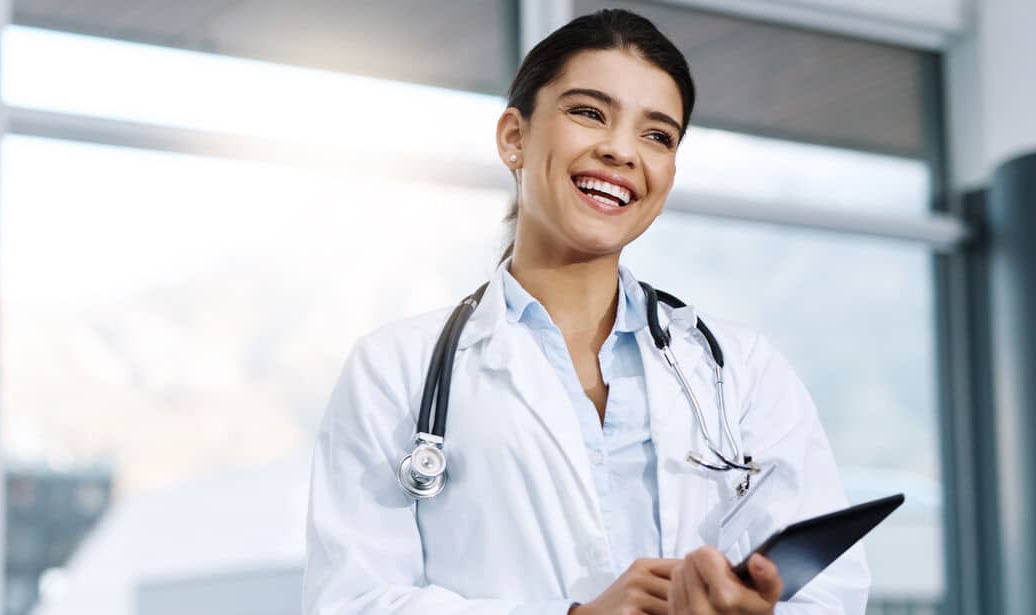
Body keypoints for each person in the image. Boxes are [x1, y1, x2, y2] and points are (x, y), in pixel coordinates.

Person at [303, 9, 869, 615]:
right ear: (514, 138)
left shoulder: (741, 370)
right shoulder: (396, 369)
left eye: (658, 135)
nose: (621, 150)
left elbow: (828, 593)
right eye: (589, 112)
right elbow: (350, 601)